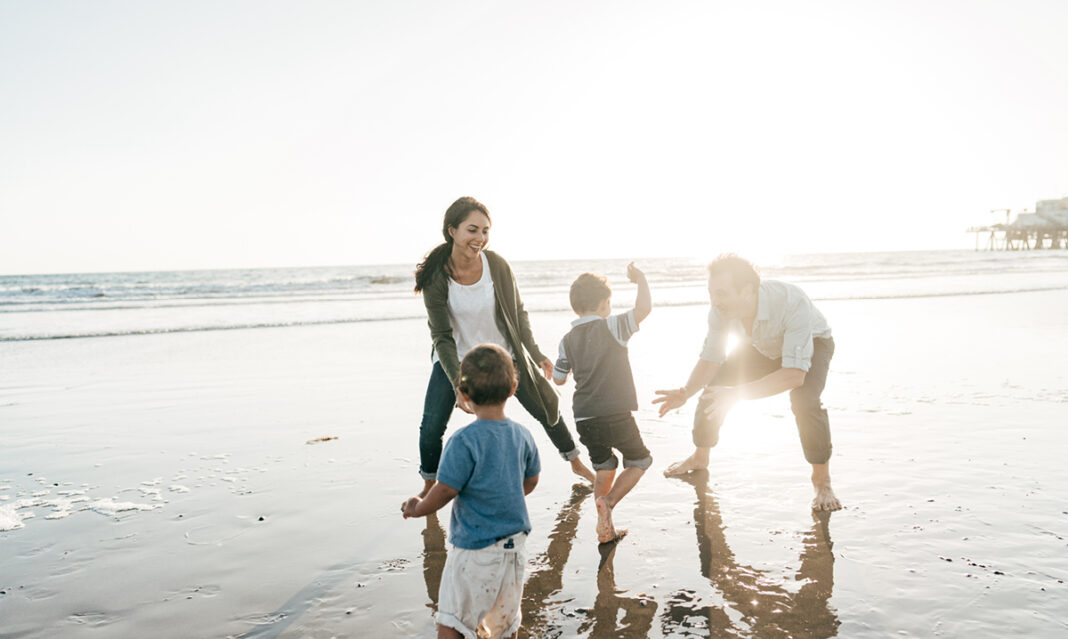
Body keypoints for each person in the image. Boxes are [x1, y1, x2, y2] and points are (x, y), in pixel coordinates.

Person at [414, 196, 594, 498]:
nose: (480, 239)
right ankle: (429, 484)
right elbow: (442, 336)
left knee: (545, 405)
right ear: (452, 231)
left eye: (485, 231)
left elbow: (517, 312)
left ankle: (575, 462)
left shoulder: (496, 265)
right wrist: (458, 382)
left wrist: (535, 353)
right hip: (455, 357)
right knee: (432, 426)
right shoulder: (436, 277)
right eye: (472, 230)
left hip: (502, 354)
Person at [652, 254, 842, 511]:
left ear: (748, 290)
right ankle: (700, 456)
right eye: (711, 293)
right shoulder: (719, 311)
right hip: (763, 347)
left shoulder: (791, 301)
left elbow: (793, 375)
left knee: (804, 400)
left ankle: (822, 481)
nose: (715, 301)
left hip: (814, 344)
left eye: (722, 294)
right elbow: (711, 359)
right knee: (714, 388)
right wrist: (686, 391)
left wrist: (736, 394)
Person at [401, 344, 541, 639]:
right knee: (506, 623)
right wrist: (504, 494)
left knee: (452, 622)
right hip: (514, 550)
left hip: (474, 551)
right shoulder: (523, 435)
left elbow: (446, 490)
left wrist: (418, 507)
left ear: (462, 394)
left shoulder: (463, 440)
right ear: (513, 388)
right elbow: (530, 481)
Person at [552, 263, 653, 542]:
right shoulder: (613, 326)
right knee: (640, 460)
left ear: (575, 307)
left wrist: (555, 370)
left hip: (585, 418)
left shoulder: (566, 340)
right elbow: (643, 309)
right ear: (606, 303)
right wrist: (641, 279)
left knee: (605, 467)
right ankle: (608, 504)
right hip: (616, 413)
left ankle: (604, 527)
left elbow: (559, 379)